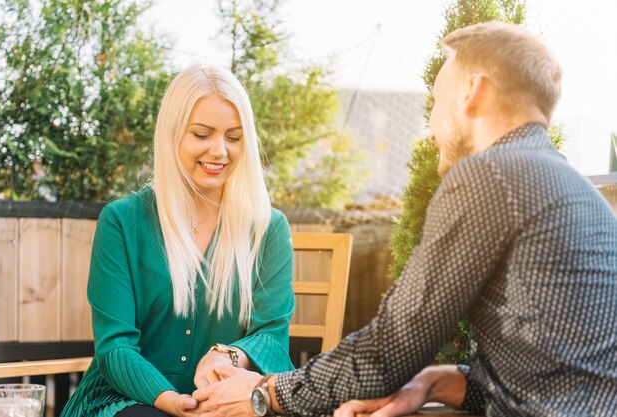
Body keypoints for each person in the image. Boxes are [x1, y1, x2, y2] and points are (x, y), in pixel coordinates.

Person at [191, 21, 617, 417]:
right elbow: (556, 373)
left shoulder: (492, 173)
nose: (430, 130)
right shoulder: (575, 190)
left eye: (435, 102)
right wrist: (436, 380)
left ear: (473, 92)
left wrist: (266, 393)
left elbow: (389, 350)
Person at [59, 65, 295, 417]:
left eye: (234, 137)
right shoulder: (122, 222)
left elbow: (272, 338)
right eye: (202, 134)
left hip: (228, 404)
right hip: (125, 403)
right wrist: (170, 400)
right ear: (172, 135)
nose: (220, 150)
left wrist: (230, 354)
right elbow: (115, 348)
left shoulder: (268, 228)